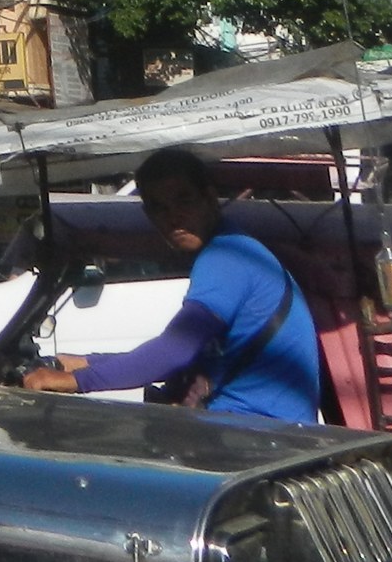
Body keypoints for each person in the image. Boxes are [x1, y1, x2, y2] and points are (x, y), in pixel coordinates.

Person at [20, 145, 321, 424]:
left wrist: (76, 381)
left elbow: (175, 350)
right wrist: (86, 362)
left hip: (261, 435)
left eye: (183, 200)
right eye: (158, 207)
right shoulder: (235, 249)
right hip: (255, 427)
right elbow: (180, 356)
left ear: (209, 197)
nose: (173, 216)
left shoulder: (226, 258)